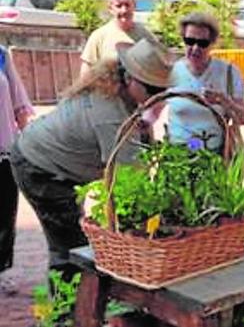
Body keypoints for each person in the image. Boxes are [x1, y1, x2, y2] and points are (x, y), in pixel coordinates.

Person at [9, 38, 171, 279]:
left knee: (74, 241)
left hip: (47, 155)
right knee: (71, 248)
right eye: (153, 90)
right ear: (129, 78)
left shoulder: (116, 89)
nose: (158, 98)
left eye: (162, 91)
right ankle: (67, 311)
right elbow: (129, 181)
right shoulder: (110, 114)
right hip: (40, 167)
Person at [167, 12, 244, 153]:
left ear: (212, 44)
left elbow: (243, 118)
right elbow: (152, 110)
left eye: (203, 43)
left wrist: (224, 101)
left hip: (215, 155)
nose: (195, 48)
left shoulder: (229, 72)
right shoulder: (169, 72)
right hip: (176, 155)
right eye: (190, 41)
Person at [0, 45, 34, 294]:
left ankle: (1, 271)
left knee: (3, 216)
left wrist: (32, 147)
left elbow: (20, 106)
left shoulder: (1, 54)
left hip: (4, 152)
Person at [80, 0, 157, 76]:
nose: (124, 10)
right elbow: (86, 71)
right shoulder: (99, 36)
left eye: (127, 5)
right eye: (119, 6)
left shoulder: (145, 35)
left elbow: (157, 66)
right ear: (110, 9)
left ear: (134, 6)